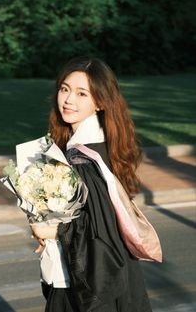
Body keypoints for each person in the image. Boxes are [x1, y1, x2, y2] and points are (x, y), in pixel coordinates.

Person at [33, 57, 153, 312]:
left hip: (90, 287)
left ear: (99, 102)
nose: (68, 100)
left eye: (81, 93)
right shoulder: (101, 146)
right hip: (108, 276)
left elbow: (96, 232)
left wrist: (49, 231)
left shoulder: (83, 161)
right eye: (64, 89)